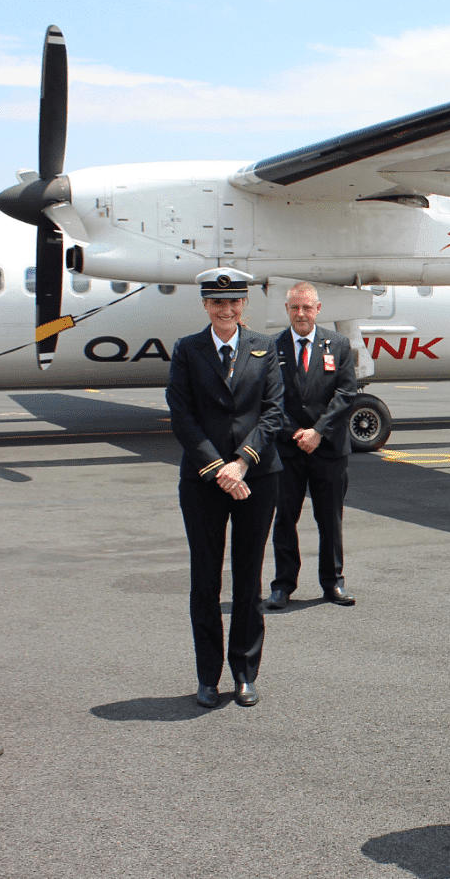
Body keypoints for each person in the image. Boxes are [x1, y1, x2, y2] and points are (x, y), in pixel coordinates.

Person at [166, 268, 284, 709]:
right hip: (203, 479)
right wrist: (218, 467)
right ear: (205, 305)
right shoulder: (188, 350)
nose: (226, 310)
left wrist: (241, 463)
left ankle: (244, 673)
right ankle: (207, 677)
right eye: (217, 303)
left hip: (256, 476)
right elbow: (181, 414)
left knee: (248, 578)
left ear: (244, 305)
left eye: (234, 302)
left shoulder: (264, 347)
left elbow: (273, 412)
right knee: (205, 580)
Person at [267, 282, 359, 609]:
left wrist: (318, 431)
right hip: (288, 450)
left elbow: (346, 393)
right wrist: (297, 434)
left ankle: (333, 583)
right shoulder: (271, 347)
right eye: (295, 307)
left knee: (330, 520)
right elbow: (269, 400)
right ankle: (283, 584)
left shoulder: (339, 345)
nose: (301, 313)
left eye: (307, 307)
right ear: (287, 310)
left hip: (329, 449)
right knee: (284, 520)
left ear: (318, 309)